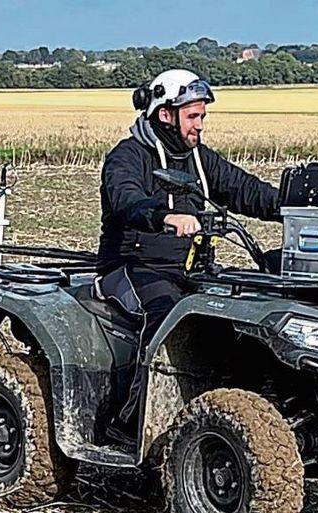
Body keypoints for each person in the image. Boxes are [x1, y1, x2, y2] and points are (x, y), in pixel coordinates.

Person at [97, 69, 283, 428]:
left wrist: (293, 205)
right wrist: (165, 216)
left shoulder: (199, 157)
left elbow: (243, 189)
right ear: (165, 115)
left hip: (190, 270)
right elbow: (126, 198)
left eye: (203, 116)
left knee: (245, 313)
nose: (200, 125)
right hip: (133, 267)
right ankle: (132, 421)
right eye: (193, 116)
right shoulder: (127, 157)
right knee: (165, 316)